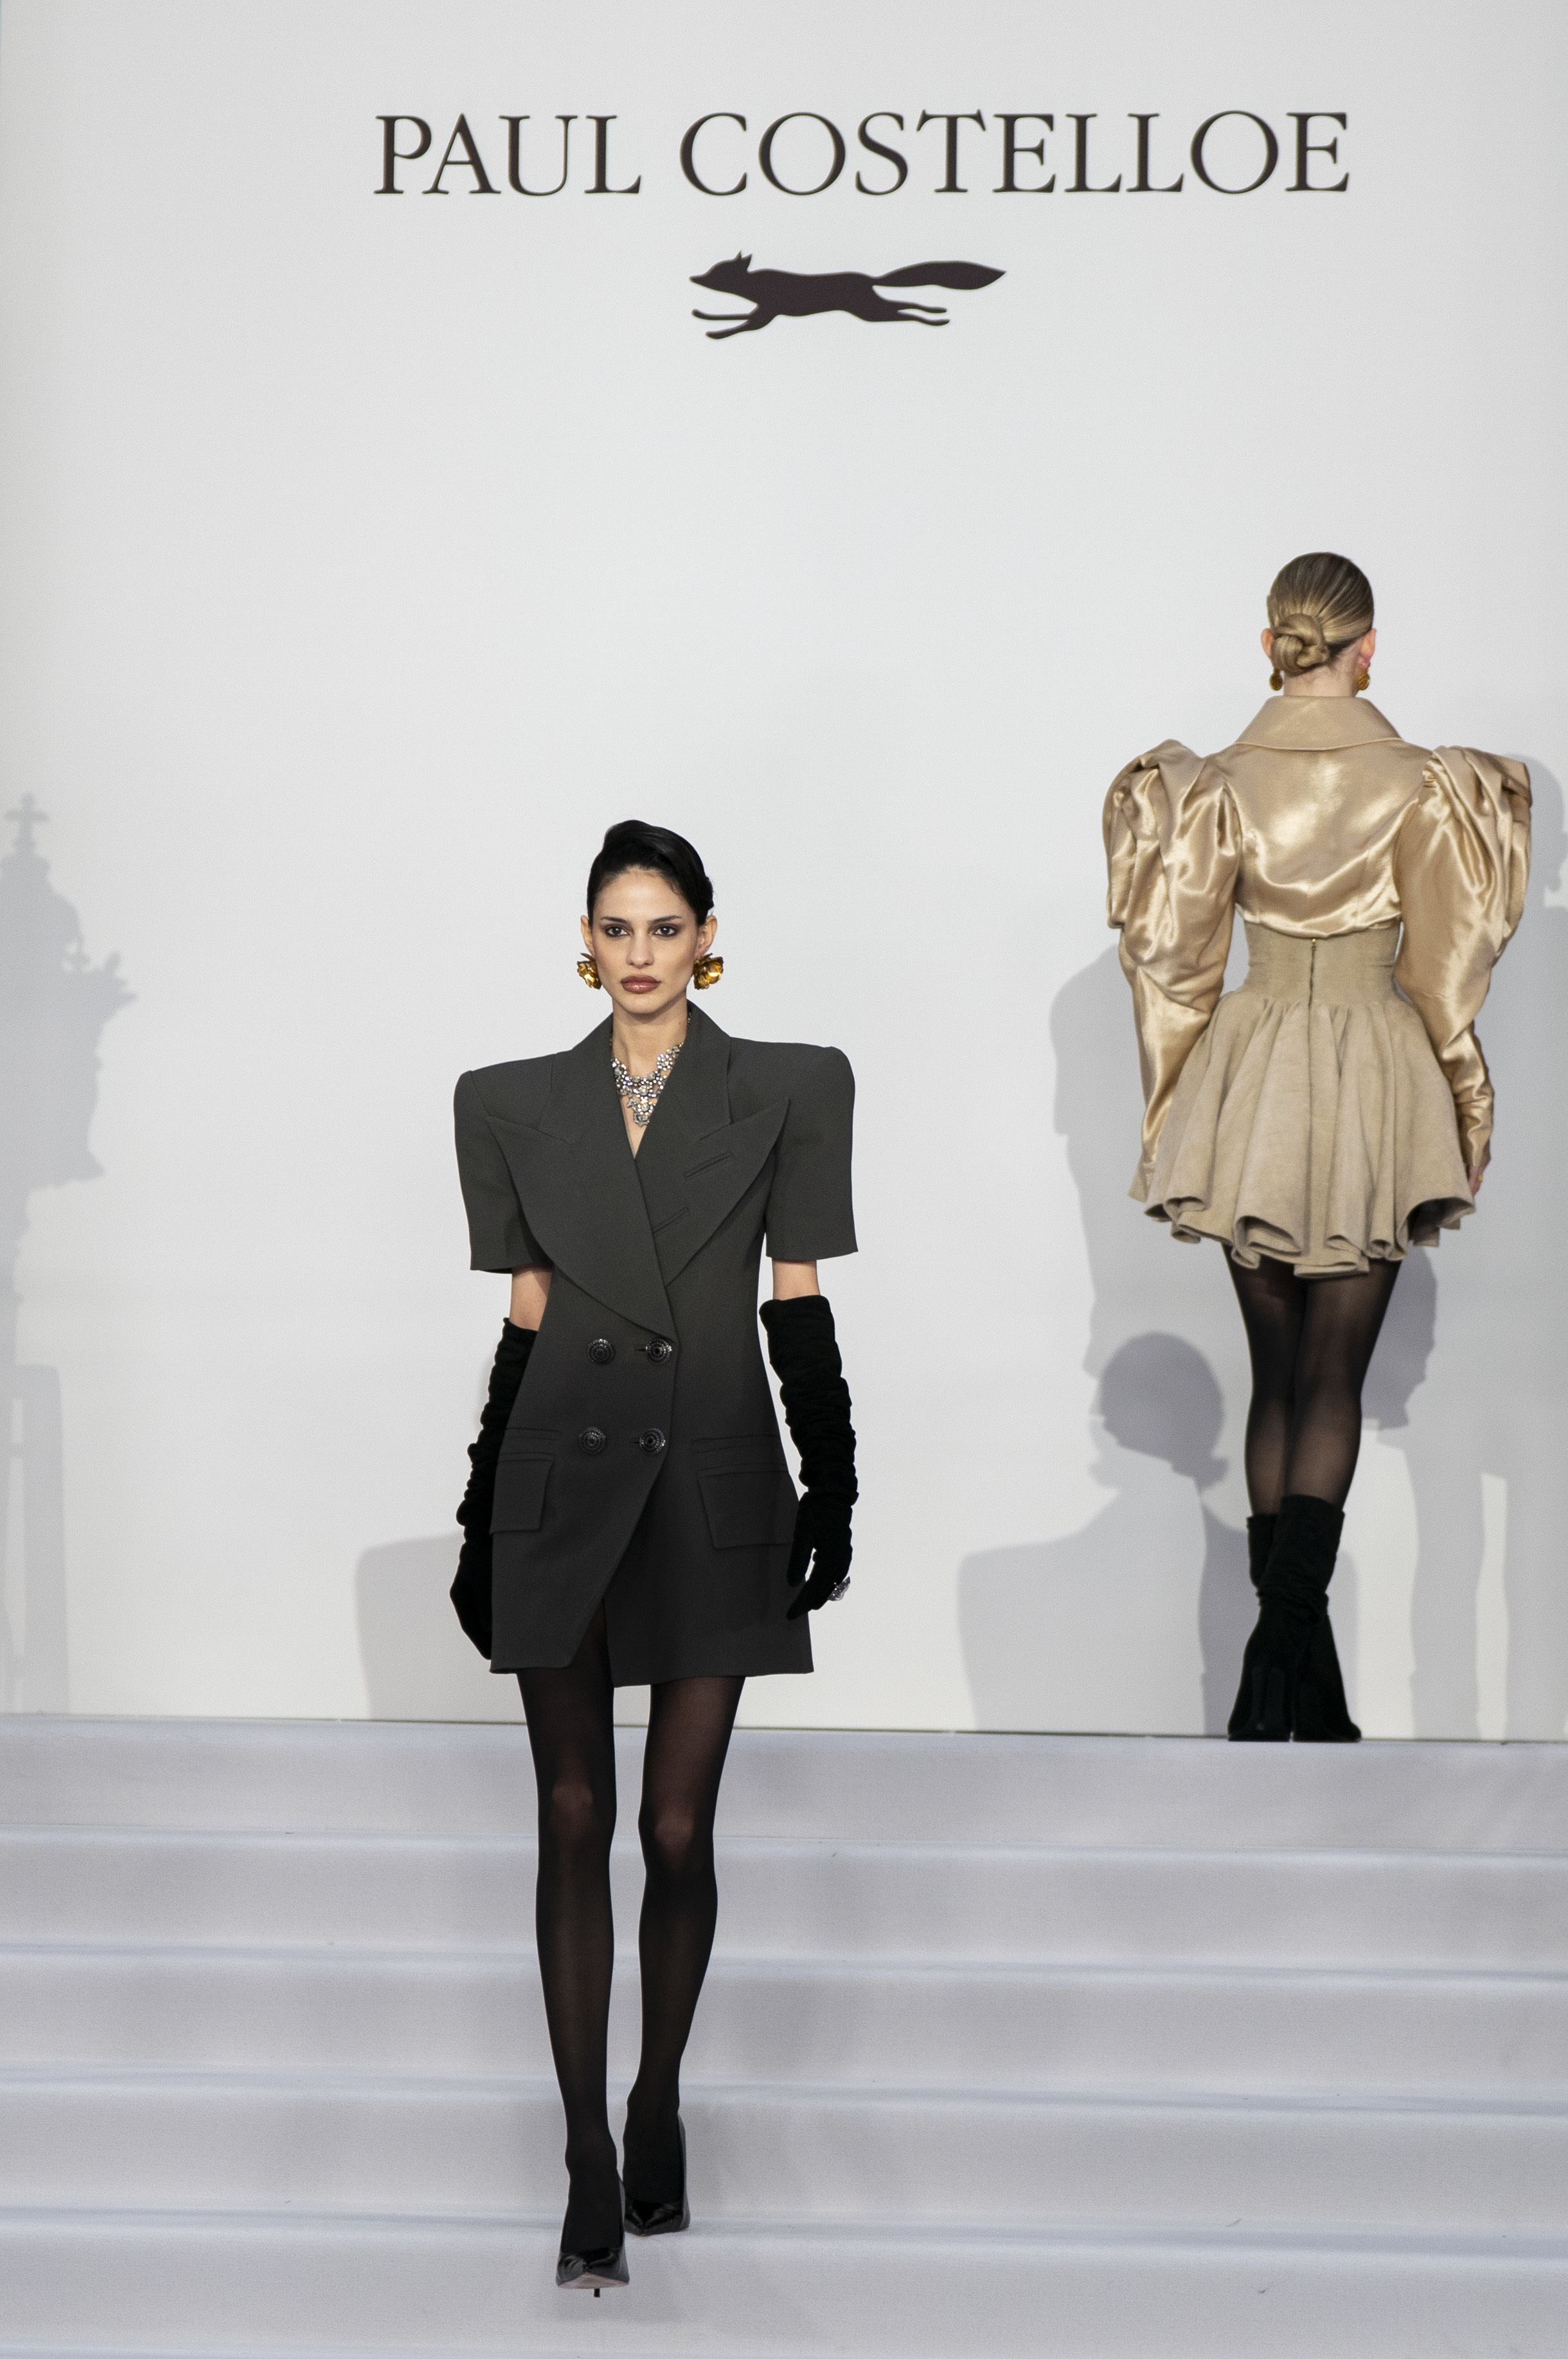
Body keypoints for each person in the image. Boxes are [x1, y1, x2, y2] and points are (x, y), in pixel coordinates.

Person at [449, 820, 857, 2290]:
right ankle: (583, 2155)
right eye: (614, 929)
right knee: (571, 1813)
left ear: (704, 938)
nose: (638, 954)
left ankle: (655, 2094)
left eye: (662, 927)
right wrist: (478, 1509)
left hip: (710, 1480)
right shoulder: (505, 1103)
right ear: (586, 941)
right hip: (561, 1485)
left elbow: (791, 1294)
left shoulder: (789, 1087)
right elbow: (530, 1313)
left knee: (674, 1830)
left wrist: (835, 1474)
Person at [1104, 553, 1529, 1741]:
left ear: (1270, 645)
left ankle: (1286, 1677)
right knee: (1331, 1381)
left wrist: (1175, 1111)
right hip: (1376, 1071)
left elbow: (1176, 971)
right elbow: (1444, 978)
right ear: (1369, 648)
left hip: (1253, 1075)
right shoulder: (1425, 784)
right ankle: (1288, 1662)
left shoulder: (1216, 783)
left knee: (1278, 1381)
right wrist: (1470, 1107)